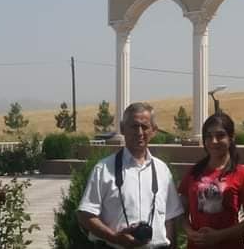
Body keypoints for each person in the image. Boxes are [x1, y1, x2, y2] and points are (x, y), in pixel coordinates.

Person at [78, 102, 183, 248]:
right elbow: (85, 215)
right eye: (134, 126)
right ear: (122, 128)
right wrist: (115, 238)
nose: (139, 132)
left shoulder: (162, 170)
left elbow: (170, 219)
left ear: (154, 130)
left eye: (144, 127)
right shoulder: (103, 169)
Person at [178, 112, 244, 249]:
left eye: (220, 135)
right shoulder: (193, 172)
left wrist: (219, 236)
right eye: (208, 136)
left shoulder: (242, 174)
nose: (214, 141)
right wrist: (190, 233)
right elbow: (181, 213)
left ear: (231, 137)